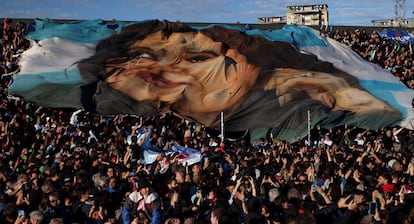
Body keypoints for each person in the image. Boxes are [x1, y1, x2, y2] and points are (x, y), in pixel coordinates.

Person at [77, 20, 402, 142]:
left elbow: (382, 111)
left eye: (195, 58)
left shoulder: (304, 85)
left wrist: (342, 95)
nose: (226, 60)